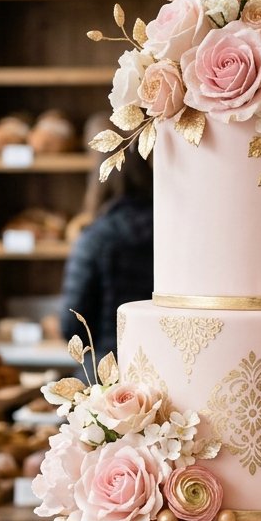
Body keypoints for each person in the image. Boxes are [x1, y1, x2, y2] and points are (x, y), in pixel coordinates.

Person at [59, 138, 153, 371]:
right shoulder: (172, 231)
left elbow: (72, 327)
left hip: (105, 372)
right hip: (163, 369)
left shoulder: (95, 238)